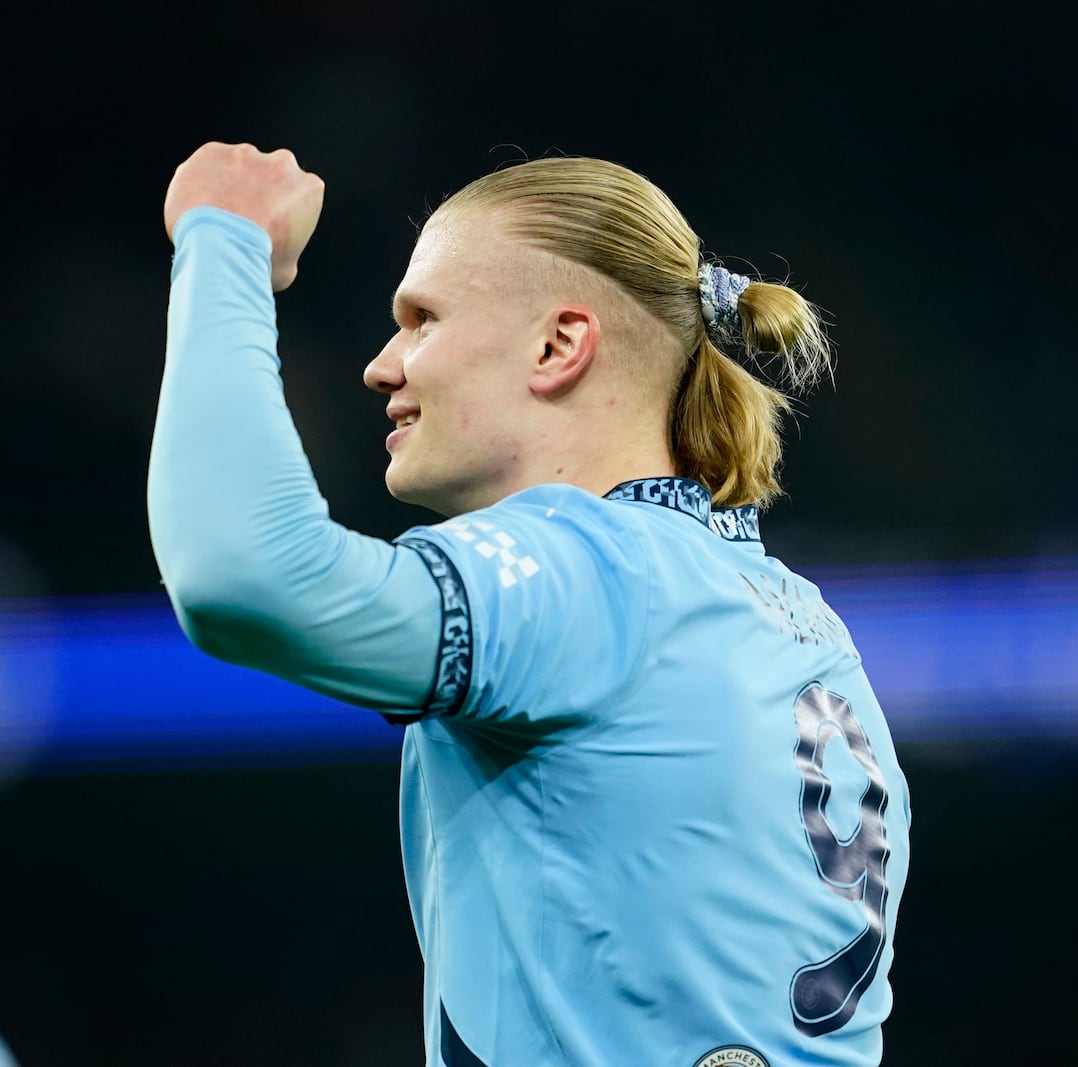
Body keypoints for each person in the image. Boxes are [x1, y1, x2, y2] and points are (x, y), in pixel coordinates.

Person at [148, 141, 912, 1067]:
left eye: (421, 319)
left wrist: (220, 239)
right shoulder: (808, 627)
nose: (382, 366)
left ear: (559, 345)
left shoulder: (589, 570)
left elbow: (245, 575)